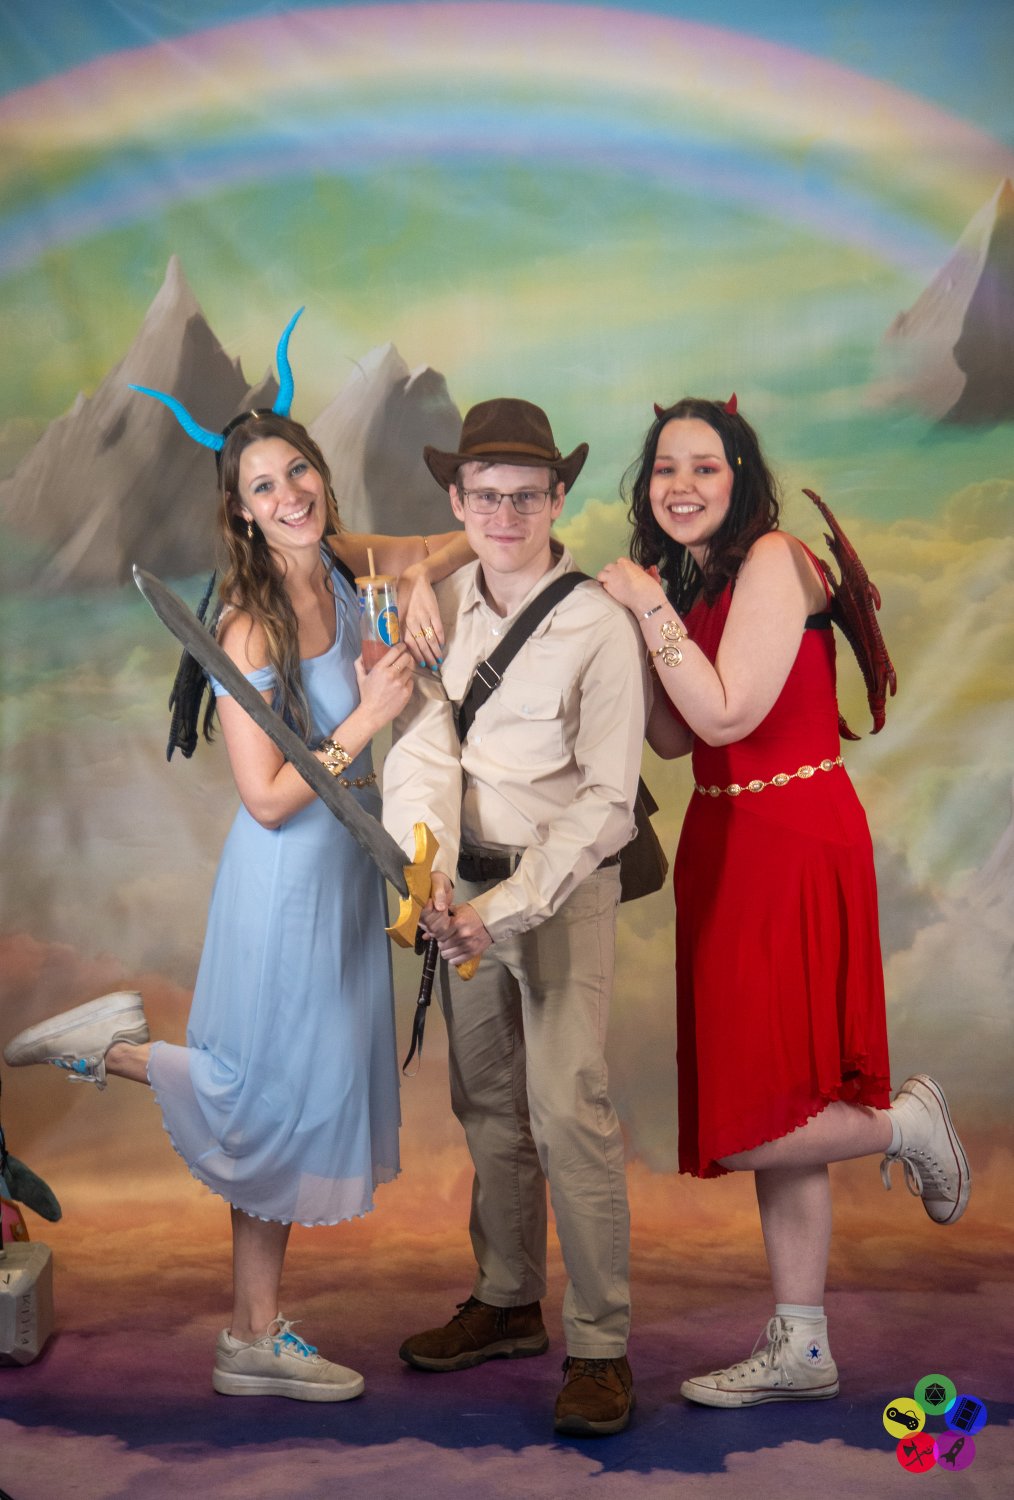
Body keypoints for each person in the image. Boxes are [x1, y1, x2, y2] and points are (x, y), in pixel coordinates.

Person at [4, 377, 472, 1400]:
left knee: (290, 1101)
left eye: (298, 471)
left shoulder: (343, 563)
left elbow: (459, 540)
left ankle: (249, 1337)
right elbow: (265, 798)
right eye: (264, 487)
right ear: (242, 511)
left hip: (345, 873)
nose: (289, 494)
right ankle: (111, 1052)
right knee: (262, 1095)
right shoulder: (248, 623)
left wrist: (418, 577)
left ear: (321, 474)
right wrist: (366, 718)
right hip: (283, 879)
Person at [598, 396, 971, 1408]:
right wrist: (639, 622)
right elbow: (675, 740)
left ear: (742, 477)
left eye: (704, 467)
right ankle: (803, 1345)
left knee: (751, 1117)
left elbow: (726, 712)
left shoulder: (772, 558)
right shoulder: (701, 580)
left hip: (790, 836)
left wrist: (646, 606)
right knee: (778, 1088)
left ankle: (906, 1126)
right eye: (664, 468)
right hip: (724, 836)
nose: (681, 485)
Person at [382, 399, 648, 1437]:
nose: (504, 516)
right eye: (485, 496)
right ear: (456, 501)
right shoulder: (439, 605)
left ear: (558, 499)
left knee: (567, 1108)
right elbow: (423, 749)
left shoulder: (599, 626)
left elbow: (609, 802)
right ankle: (506, 1300)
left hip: (559, 893)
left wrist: (504, 909)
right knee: (488, 1105)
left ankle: (601, 1346)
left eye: (525, 497)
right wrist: (433, 877)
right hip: (464, 895)